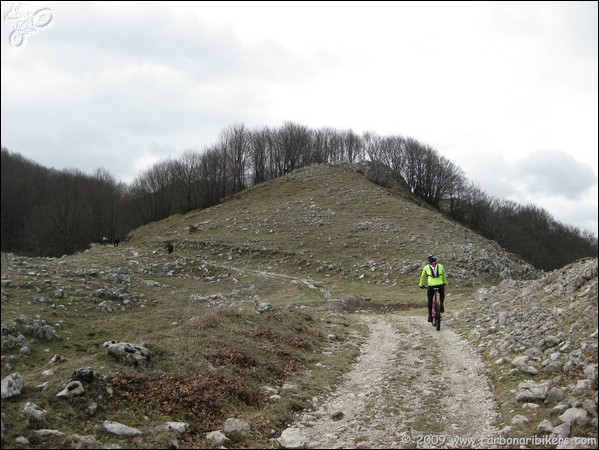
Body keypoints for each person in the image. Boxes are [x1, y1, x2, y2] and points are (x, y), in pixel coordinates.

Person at [418, 254, 447, 322]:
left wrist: (421, 285)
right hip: (440, 284)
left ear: (429, 261)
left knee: (430, 300)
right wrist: (444, 282)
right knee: (442, 294)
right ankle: (441, 304)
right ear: (435, 260)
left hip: (431, 285)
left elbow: (423, 277)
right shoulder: (441, 266)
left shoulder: (426, 267)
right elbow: (443, 275)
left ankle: (430, 316)